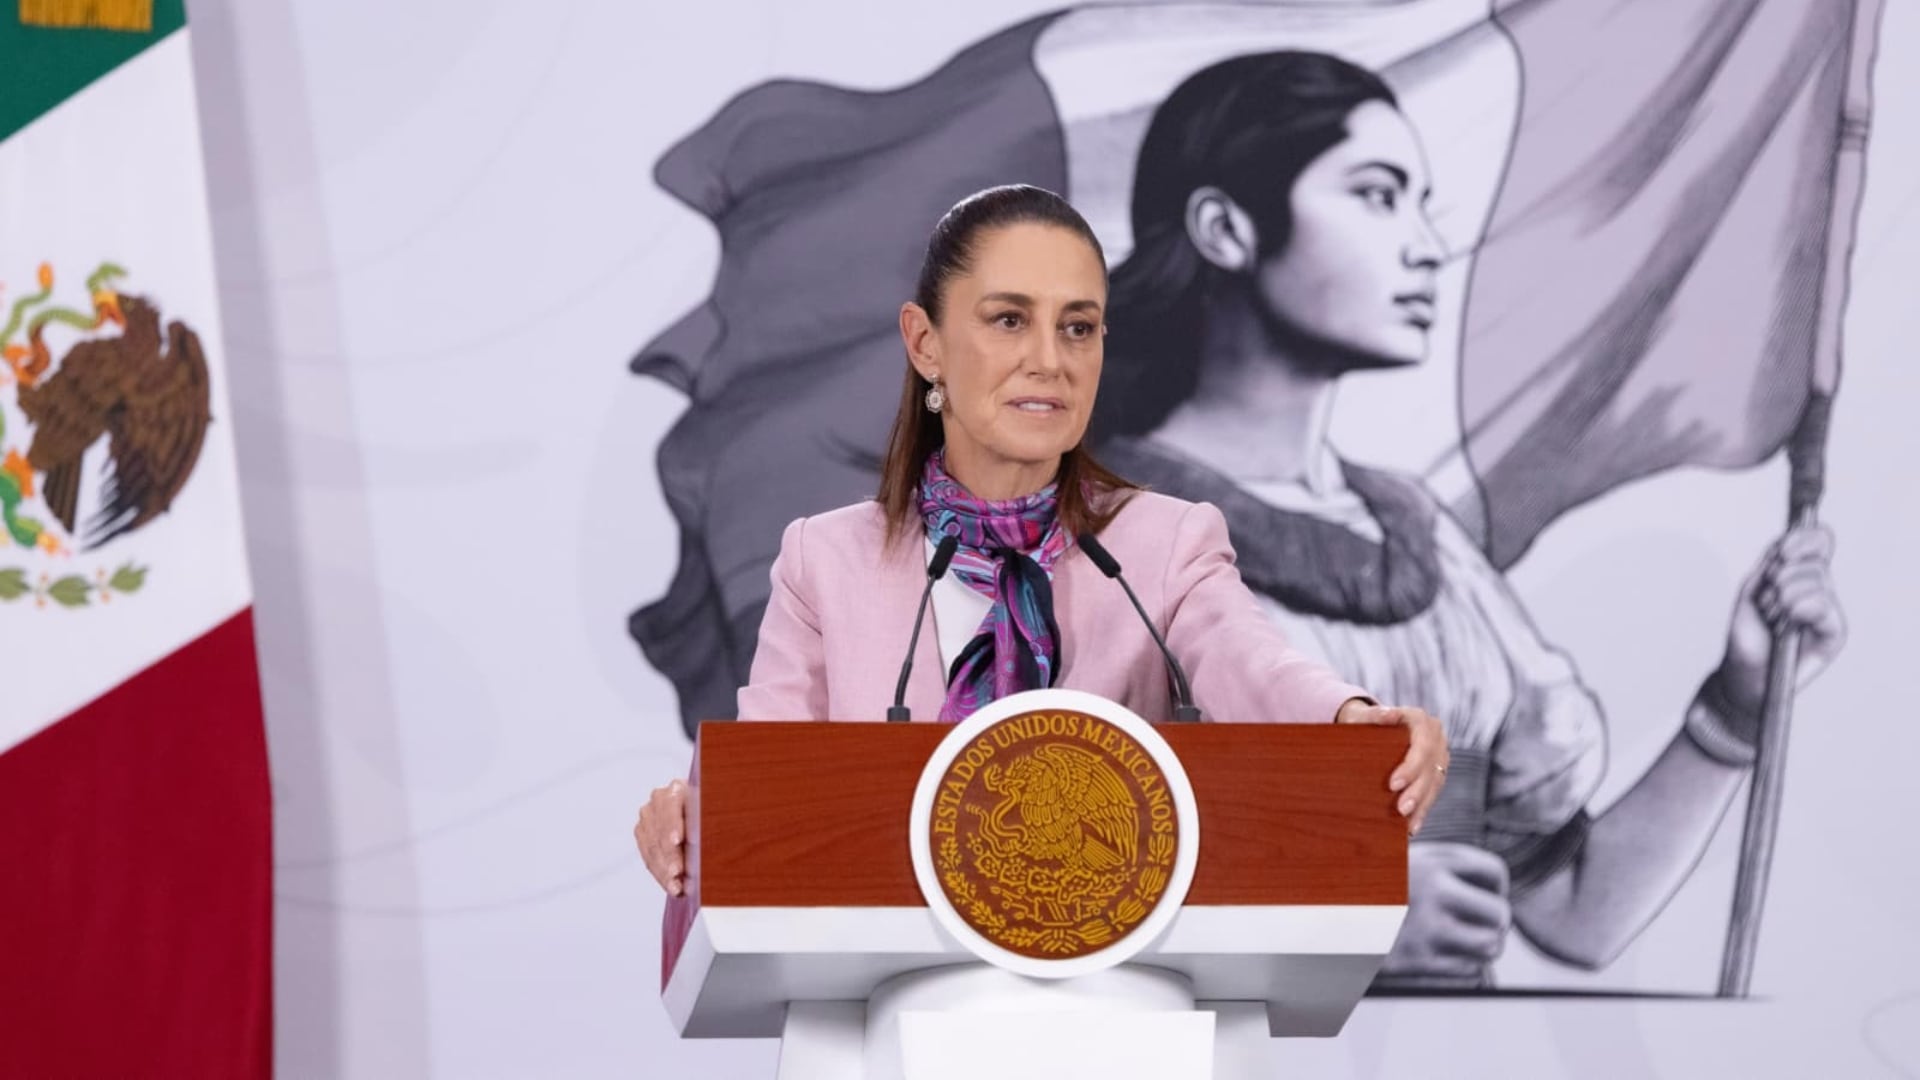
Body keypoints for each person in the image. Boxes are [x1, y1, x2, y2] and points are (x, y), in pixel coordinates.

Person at [1087, 51, 1846, 986]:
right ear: (1224, 228)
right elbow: (1002, 889)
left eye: (1421, 200)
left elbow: (1575, 914)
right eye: (1376, 194)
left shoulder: (1423, 539)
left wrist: (1737, 700)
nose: (1423, 243)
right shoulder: (1085, 541)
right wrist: (1328, 933)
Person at [635, 184, 1449, 897]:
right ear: (925, 344)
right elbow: (769, 778)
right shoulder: (824, 562)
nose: (1049, 361)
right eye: (1009, 320)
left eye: (1079, 327)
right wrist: (696, 817)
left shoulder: (1163, 544)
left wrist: (1345, 719)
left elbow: (1251, 663)